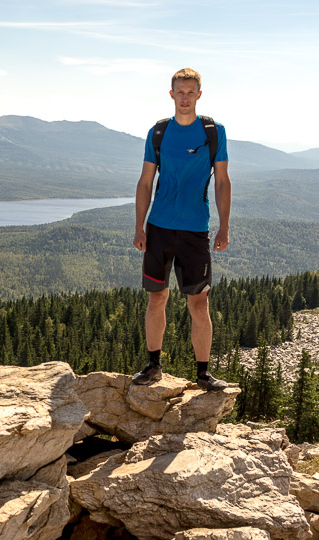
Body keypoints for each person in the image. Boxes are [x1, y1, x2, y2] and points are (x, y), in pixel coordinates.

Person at [132, 68, 232, 391]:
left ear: (199, 95)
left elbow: (222, 181)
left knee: (198, 303)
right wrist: (139, 226)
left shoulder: (213, 132)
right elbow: (146, 181)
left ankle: (203, 374)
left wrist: (224, 225)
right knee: (156, 299)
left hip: (194, 232)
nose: (185, 97)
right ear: (171, 94)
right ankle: (153, 366)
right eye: (180, 92)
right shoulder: (158, 133)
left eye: (191, 92)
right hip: (159, 228)